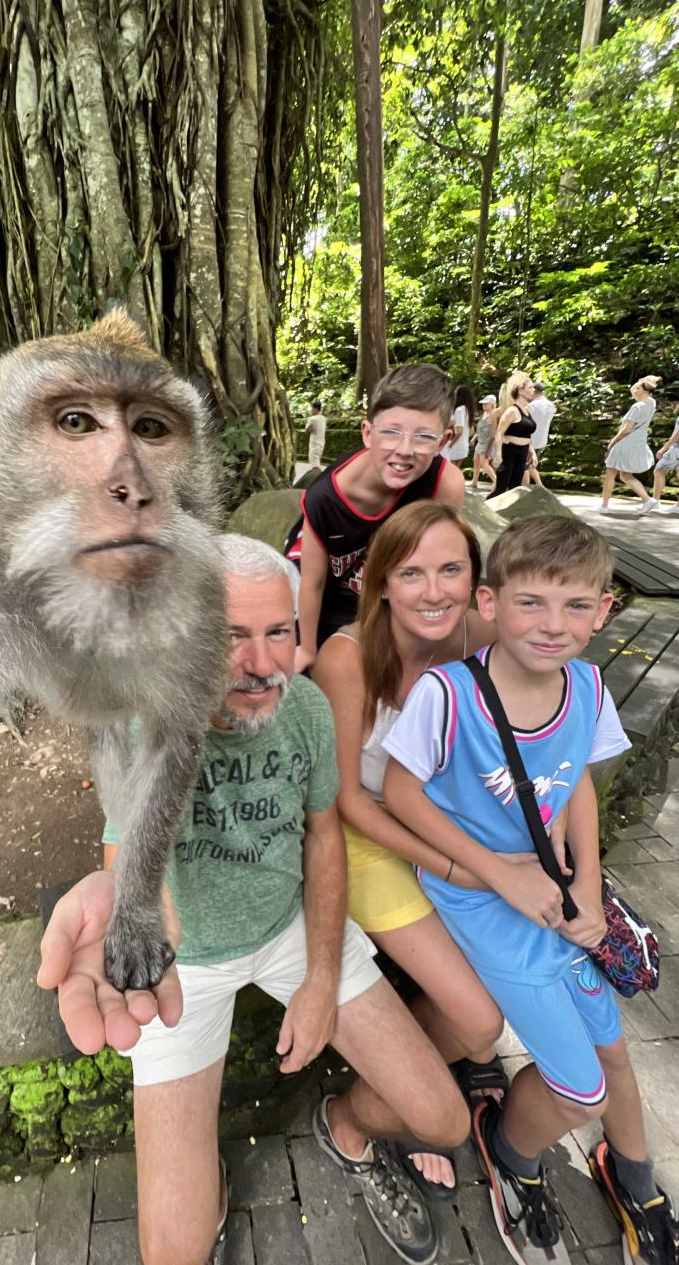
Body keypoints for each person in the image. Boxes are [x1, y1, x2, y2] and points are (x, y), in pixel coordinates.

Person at [38, 533, 470, 1265]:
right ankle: (206, 1195)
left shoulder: (301, 706)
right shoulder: (141, 721)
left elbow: (324, 834)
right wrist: (129, 907)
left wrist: (324, 977)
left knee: (445, 1121)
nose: (262, 663)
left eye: (278, 633)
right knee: (172, 1252)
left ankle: (347, 1126)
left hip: (288, 930)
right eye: (231, 637)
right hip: (185, 967)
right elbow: (126, 846)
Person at [382, 515, 679, 1265]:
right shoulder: (449, 696)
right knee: (580, 1092)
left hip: (552, 890)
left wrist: (582, 879)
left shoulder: (585, 684)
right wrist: (496, 872)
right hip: (485, 901)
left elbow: (577, 775)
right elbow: (402, 793)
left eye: (577, 606)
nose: (555, 625)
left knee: (612, 1047)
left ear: (604, 611)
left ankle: (635, 1176)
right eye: (532, 603)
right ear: (489, 602)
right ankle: (511, 1152)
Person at [313, 500, 510, 1200]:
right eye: (413, 572)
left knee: (490, 1018)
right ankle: (365, 1115)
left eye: (452, 569)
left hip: (443, 826)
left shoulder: (481, 636)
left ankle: (415, 1080)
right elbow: (349, 803)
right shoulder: (347, 659)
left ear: (476, 580)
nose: (434, 591)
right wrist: (458, 866)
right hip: (369, 840)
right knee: (480, 1020)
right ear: (380, 583)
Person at [285, 364, 465, 673]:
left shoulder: (444, 484)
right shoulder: (326, 496)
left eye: (423, 436)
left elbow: (442, 561)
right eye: (391, 432)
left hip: (382, 586)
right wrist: (307, 650)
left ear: (444, 440)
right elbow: (312, 584)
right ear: (368, 433)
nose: (404, 450)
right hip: (326, 585)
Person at [600, 376, 662, 515]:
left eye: (639, 387)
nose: (635, 389)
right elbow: (633, 389)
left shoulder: (637, 406)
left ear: (645, 390)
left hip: (626, 443)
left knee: (610, 473)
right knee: (625, 475)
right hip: (637, 442)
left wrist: (613, 442)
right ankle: (647, 500)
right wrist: (643, 381)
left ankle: (604, 505)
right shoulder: (651, 402)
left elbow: (626, 429)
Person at [490, 372, 537, 498]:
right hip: (509, 451)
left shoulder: (527, 410)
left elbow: (527, 434)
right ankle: (484, 512)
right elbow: (499, 433)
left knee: (514, 488)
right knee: (501, 488)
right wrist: (498, 453)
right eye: (530, 388)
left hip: (523, 452)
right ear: (520, 391)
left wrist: (532, 452)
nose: (533, 390)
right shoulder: (512, 411)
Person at [524, 381, 558, 488]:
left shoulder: (531, 406)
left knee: (526, 466)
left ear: (534, 391)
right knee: (529, 465)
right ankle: (537, 486)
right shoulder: (551, 405)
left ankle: (536, 487)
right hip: (542, 439)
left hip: (530, 440)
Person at [652, 407, 679, 515]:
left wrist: (664, 448)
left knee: (659, 470)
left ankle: (655, 501)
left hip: (677, 448)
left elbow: (677, 435)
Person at [441, 386, 474, 470]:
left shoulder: (459, 410)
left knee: (449, 470)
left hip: (456, 445)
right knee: (456, 470)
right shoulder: (468, 410)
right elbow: (471, 431)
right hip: (464, 445)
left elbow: (459, 431)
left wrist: (450, 444)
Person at [471, 395, 499, 490]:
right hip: (480, 442)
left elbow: (494, 432)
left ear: (492, 404)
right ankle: (474, 481)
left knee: (484, 463)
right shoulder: (484, 414)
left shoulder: (494, 415)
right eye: (483, 403)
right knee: (476, 461)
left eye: (486, 403)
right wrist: (474, 438)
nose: (483, 405)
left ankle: (496, 481)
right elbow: (480, 428)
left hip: (487, 443)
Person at [305, 398, 327, 470]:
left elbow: (307, 429)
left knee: (314, 464)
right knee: (317, 462)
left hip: (314, 444)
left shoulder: (312, 419)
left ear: (316, 409)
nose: (311, 410)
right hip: (321, 443)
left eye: (312, 408)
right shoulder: (323, 418)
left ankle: (317, 478)